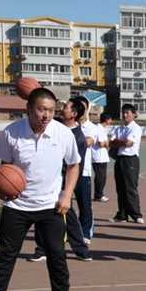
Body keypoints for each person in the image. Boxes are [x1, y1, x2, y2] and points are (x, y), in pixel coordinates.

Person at [0, 88, 81, 291]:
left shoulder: (63, 134)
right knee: (6, 255)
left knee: (57, 255)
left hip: (51, 206)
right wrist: (3, 188)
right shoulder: (12, 133)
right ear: (29, 109)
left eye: (51, 110)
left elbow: (74, 165)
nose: (46, 115)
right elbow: (5, 167)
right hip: (17, 206)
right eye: (41, 109)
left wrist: (67, 195)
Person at [30, 99, 92, 262]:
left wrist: (67, 190)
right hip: (46, 177)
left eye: (66, 107)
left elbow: (76, 165)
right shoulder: (53, 125)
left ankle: (79, 249)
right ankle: (45, 249)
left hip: (61, 182)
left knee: (66, 215)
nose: (62, 108)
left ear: (73, 114)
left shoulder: (78, 137)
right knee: (43, 212)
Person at [109, 104, 143, 223]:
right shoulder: (119, 128)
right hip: (119, 159)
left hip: (131, 159)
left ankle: (136, 214)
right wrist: (119, 142)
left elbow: (129, 143)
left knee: (130, 188)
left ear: (134, 114)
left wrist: (118, 142)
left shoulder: (135, 128)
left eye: (127, 113)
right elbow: (111, 143)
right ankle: (122, 214)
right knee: (120, 188)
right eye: (123, 112)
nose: (124, 115)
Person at [72, 96, 95, 242]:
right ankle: (68, 231)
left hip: (83, 171)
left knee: (84, 204)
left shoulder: (91, 127)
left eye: (82, 107)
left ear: (86, 109)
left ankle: (86, 232)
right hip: (65, 171)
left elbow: (88, 141)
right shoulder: (65, 127)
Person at [91, 113, 112, 202]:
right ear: (106, 120)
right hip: (98, 157)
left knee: (102, 176)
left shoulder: (102, 129)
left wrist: (106, 143)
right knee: (100, 177)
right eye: (110, 119)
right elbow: (101, 143)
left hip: (102, 156)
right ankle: (99, 195)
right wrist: (107, 144)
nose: (111, 121)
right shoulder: (98, 129)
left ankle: (98, 194)